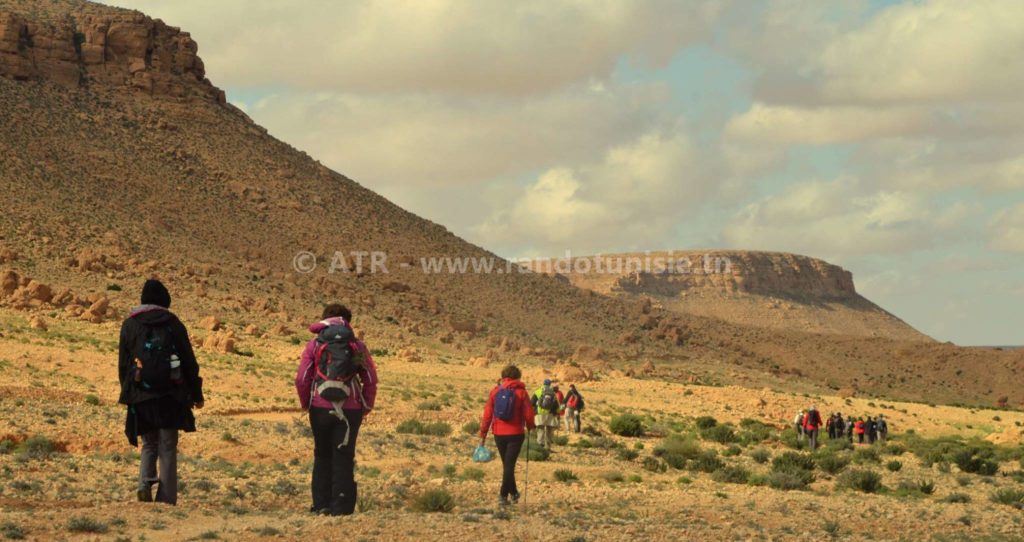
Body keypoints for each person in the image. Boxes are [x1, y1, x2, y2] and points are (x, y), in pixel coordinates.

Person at [118, 279, 204, 505]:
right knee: (167, 446)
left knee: (149, 443)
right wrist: (196, 393)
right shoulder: (173, 324)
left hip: (141, 395)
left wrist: (128, 393)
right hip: (171, 396)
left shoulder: (130, 325)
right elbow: (188, 361)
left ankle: (144, 485)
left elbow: (124, 364)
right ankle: (166, 499)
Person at [295, 304, 378, 516]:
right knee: (344, 456)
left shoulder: (314, 345)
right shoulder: (357, 346)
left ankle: (321, 505)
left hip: (319, 408)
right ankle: (341, 508)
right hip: (350, 410)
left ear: (324, 320)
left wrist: (307, 403)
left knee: (322, 454)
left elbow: (302, 378)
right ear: (348, 322)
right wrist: (366, 406)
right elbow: (370, 379)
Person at [479, 365, 536, 506]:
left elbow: (487, 415)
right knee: (509, 466)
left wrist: (483, 434)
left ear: (503, 376)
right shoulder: (521, 392)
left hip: (499, 433)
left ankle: (514, 493)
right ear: (518, 376)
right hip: (516, 434)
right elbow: (529, 413)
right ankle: (503, 495)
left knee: (507, 465)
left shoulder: (495, 392)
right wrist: (531, 427)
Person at [532, 379, 560, 447]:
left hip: (539, 413)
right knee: (549, 430)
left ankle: (540, 445)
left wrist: (533, 411)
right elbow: (557, 404)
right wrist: (558, 413)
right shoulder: (552, 392)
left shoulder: (538, 391)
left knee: (540, 429)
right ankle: (548, 446)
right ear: (550, 384)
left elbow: (532, 402)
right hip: (550, 414)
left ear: (543, 383)